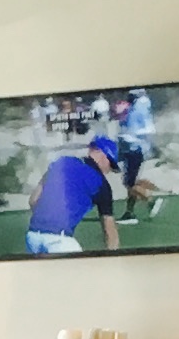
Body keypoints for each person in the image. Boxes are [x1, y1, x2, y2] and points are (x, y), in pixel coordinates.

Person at [25, 101, 150, 256]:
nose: (109, 169)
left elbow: (33, 200)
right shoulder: (101, 185)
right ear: (99, 153)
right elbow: (109, 230)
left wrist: (46, 223)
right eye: (110, 163)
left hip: (32, 237)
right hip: (59, 240)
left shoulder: (61, 162)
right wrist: (113, 259)